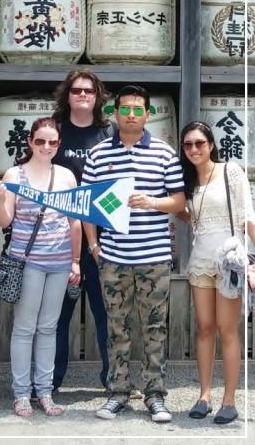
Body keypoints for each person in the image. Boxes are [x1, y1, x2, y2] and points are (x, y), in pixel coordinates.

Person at [82, 85, 185, 423]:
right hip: (113, 257)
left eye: (137, 109)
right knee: (117, 327)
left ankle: (155, 395)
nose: (130, 114)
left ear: (147, 114)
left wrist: (153, 202)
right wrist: (95, 247)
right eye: (124, 108)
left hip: (153, 256)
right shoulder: (98, 155)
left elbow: (179, 202)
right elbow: (87, 208)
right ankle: (118, 393)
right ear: (115, 112)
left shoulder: (164, 153)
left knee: (155, 326)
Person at [0, 117, 82, 418]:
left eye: (52, 142)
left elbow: (75, 222)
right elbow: (6, 222)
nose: (46, 146)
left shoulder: (67, 176)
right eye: (40, 141)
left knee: (49, 327)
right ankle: (21, 393)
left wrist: (76, 260)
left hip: (59, 260)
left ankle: (44, 391)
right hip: (27, 260)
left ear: (59, 145)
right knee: (24, 327)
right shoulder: (15, 175)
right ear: (30, 141)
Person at [179, 120, 254, 424]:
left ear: (211, 144)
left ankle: (229, 400)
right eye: (187, 145)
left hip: (230, 262)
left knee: (228, 329)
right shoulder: (187, 181)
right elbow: (190, 218)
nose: (194, 149)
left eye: (199, 143)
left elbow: (248, 216)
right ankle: (204, 395)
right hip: (200, 261)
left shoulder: (230, 171)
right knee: (204, 328)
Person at [51, 69, 112, 391]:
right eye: (76, 91)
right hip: (61, 239)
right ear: (67, 96)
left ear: (98, 96)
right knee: (58, 317)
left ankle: (112, 381)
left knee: (107, 315)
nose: (83, 96)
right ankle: (51, 381)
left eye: (89, 91)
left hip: (105, 239)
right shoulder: (54, 132)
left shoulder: (109, 133)